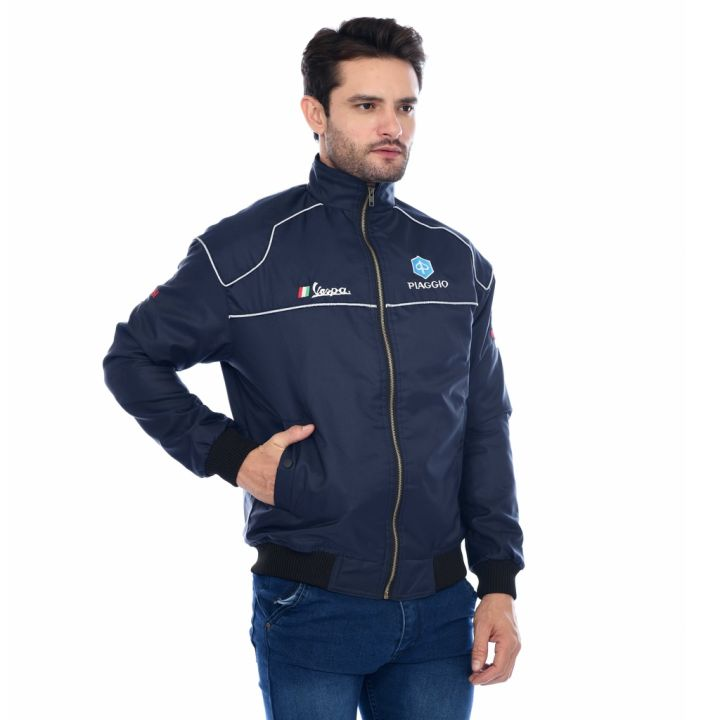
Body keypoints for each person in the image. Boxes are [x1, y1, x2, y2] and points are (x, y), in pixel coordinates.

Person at [103, 16, 524, 720]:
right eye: (366, 105)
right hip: (312, 603)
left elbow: (484, 427)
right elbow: (133, 358)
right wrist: (230, 455)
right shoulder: (247, 253)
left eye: (405, 106)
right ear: (315, 113)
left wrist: (500, 583)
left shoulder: (458, 265)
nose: (391, 125)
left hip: (441, 609)